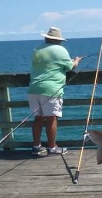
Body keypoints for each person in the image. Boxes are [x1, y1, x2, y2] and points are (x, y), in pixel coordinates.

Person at [28, 27, 82, 156]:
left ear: (46, 38)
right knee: (52, 118)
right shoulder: (60, 50)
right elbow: (70, 67)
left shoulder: (37, 49)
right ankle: (52, 148)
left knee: (38, 118)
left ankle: (36, 146)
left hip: (34, 87)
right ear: (57, 40)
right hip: (51, 89)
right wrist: (76, 61)